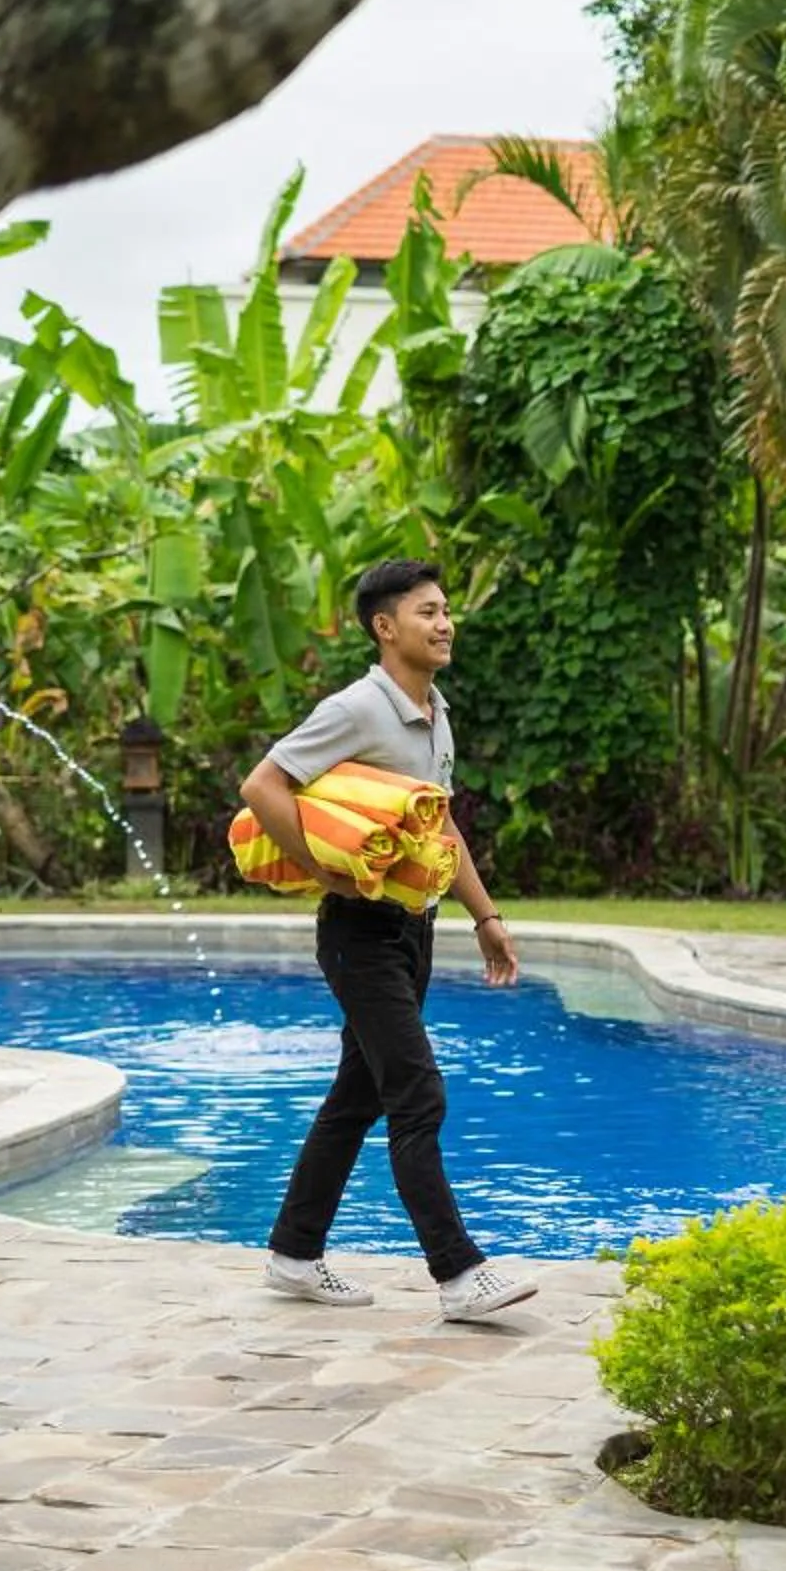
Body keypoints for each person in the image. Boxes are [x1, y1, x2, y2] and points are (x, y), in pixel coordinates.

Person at [238, 558, 536, 1321]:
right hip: (359, 933)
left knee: (359, 1094)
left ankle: (294, 1253)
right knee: (415, 1091)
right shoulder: (357, 709)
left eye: (446, 610)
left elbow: (440, 826)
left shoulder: (435, 712)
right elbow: (262, 786)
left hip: (414, 929)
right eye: (427, 612)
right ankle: (458, 1273)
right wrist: (322, 871)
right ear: (384, 626)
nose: (444, 624)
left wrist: (486, 917)